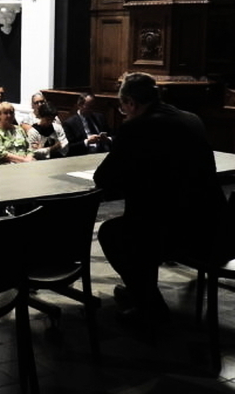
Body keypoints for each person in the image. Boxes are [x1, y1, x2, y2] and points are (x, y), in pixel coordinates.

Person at [94, 72, 225, 328]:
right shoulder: (192, 119)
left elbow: (104, 178)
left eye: (123, 108)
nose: (124, 113)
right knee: (141, 225)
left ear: (131, 103)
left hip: (176, 232)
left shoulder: (135, 128)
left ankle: (151, 308)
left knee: (112, 233)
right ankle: (140, 290)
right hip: (213, 224)